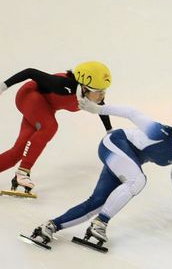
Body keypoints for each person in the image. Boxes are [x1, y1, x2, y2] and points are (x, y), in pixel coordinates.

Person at [28, 101, 172, 246]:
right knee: (137, 180)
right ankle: (100, 224)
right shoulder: (160, 132)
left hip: (126, 160)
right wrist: (97, 109)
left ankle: (51, 226)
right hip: (115, 143)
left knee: (98, 203)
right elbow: (132, 112)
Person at [0, 62, 113, 194]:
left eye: (104, 91)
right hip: (29, 95)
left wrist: (109, 131)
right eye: (98, 92)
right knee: (50, 127)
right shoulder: (62, 84)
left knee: (18, 152)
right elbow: (30, 72)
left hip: (44, 109)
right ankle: (23, 172)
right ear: (83, 87)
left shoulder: (93, 96)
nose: (102, 96)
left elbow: (102, 111)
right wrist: (3, 86)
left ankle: (21, 172)